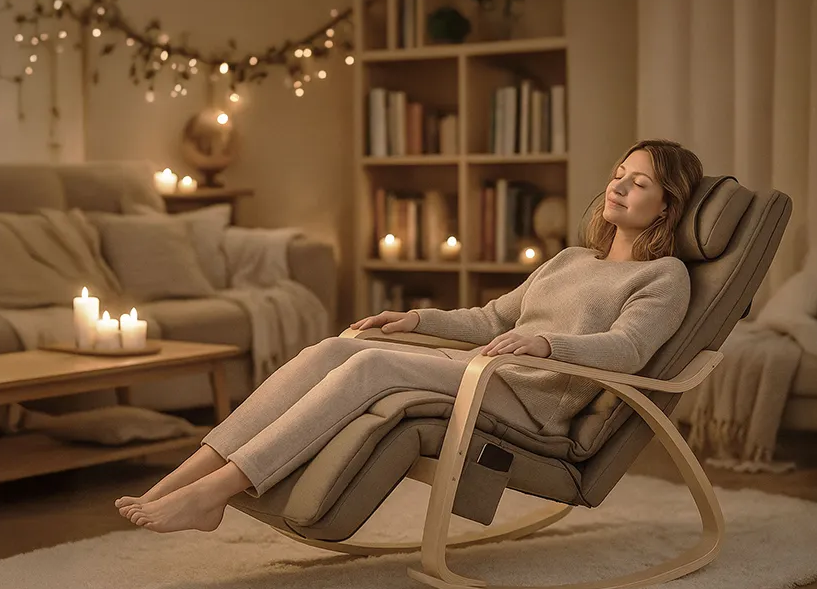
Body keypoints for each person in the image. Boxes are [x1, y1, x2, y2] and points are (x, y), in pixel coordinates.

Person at [116, 138, 703, 533]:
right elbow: (494, 319)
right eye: (617, 176)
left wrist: (547, 345)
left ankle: (214, 493)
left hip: (536, 400)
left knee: (371, 369)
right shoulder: (572, 258)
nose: (618, 188)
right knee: (338, 348)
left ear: (666, 204)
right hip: (487, 371)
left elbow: (627, 350)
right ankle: (181, 481)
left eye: (640, 183)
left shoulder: (664, 275)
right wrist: (417, 320)